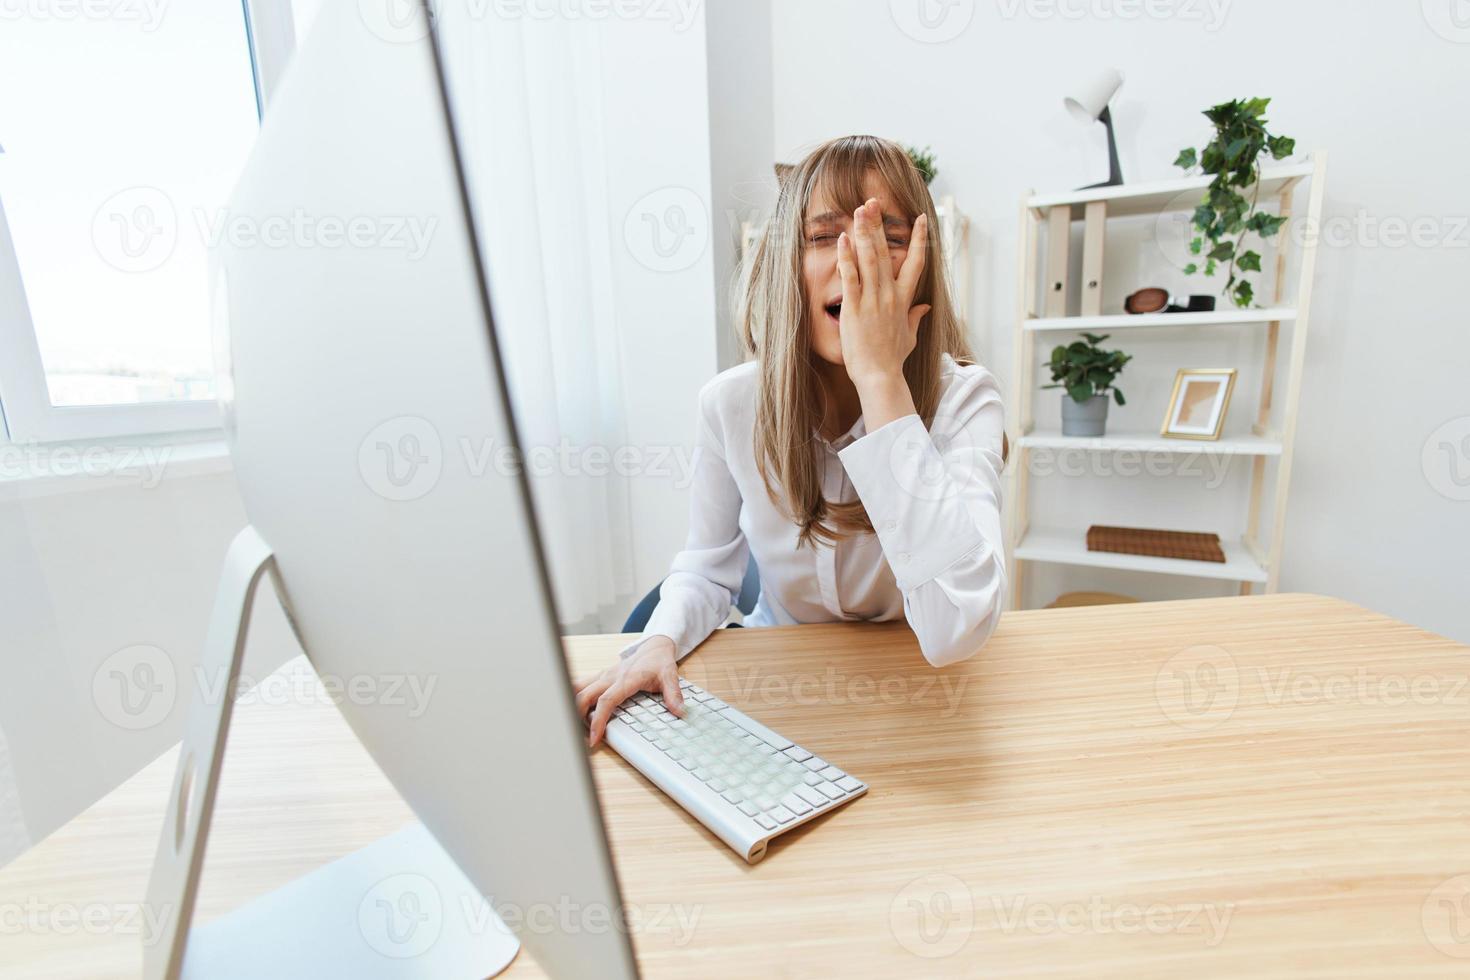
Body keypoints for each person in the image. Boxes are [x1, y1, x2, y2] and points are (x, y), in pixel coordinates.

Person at [578, 135, 1007, 745]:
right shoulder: (729, 404)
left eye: (887, 237)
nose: (855, 260)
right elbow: (708, 569)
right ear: (786, 265)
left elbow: (955, 631)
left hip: (916, 693)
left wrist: (882, 380)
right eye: (823, 235)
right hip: (775, 687)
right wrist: (659, 642)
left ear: (920, 266)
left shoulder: (967, 400)